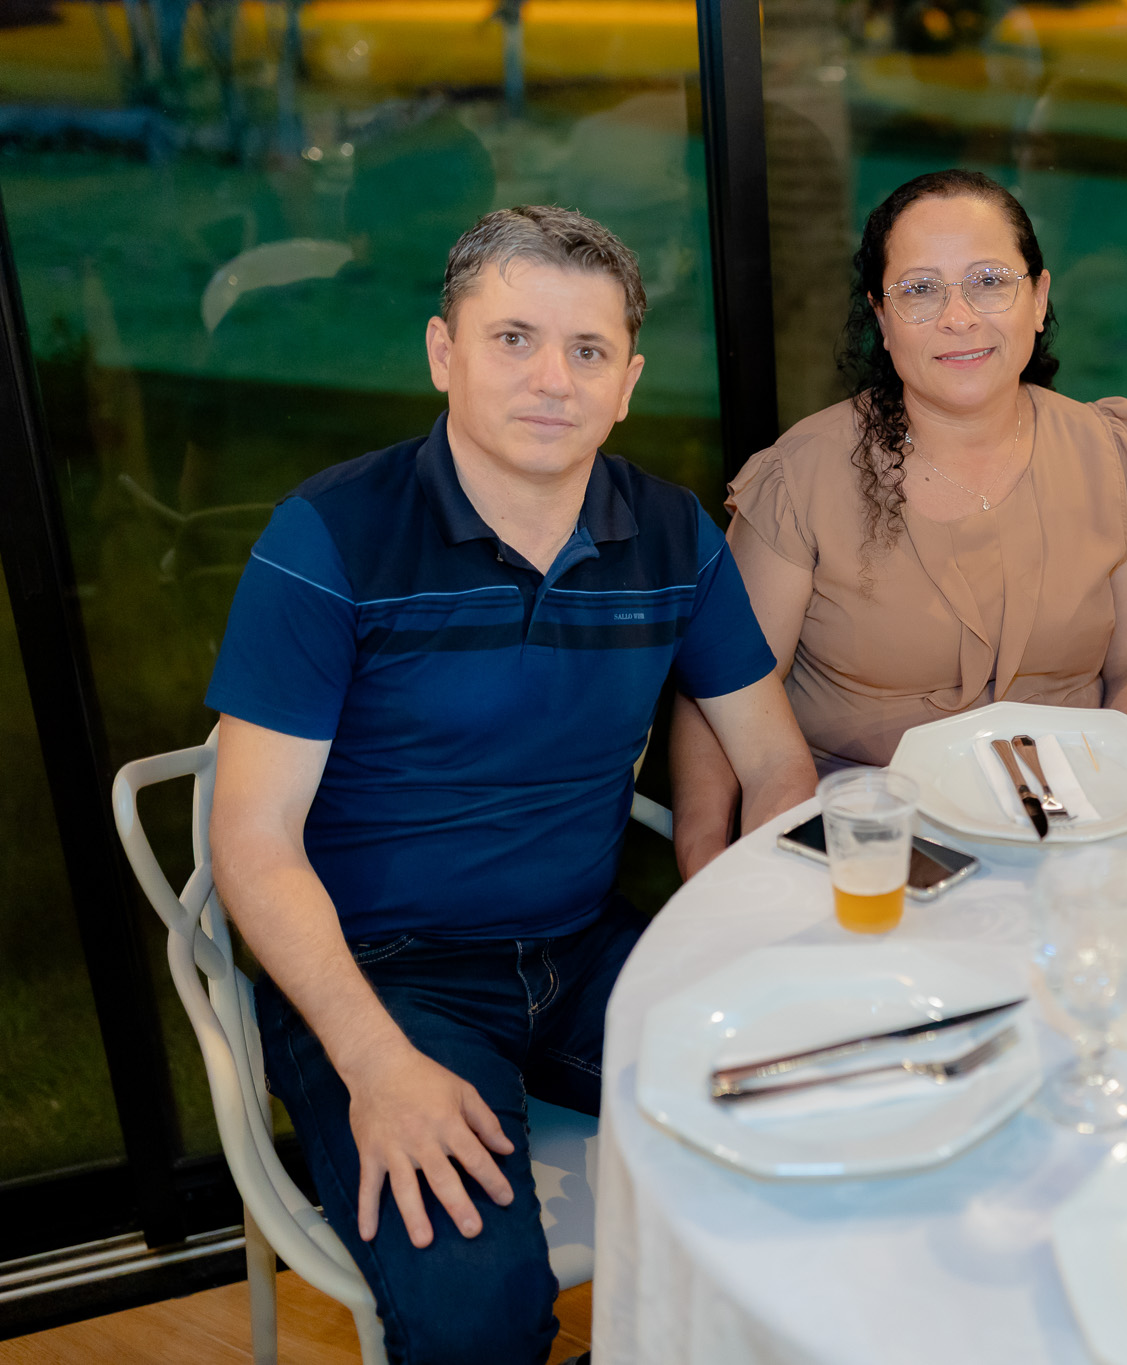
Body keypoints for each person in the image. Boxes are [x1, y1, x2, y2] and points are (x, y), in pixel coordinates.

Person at [206, 206, 816, 1363]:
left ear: (627, 382)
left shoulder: (671, 535)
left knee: (832, 1132)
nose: (552, 379)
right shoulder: (329, 536)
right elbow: (251, 835)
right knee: (474, 1317)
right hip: (383, 977)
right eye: (513, 340)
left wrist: (751, 942)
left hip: (584, 949)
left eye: (587, 350)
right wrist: (375, 1062)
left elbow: (775, 764)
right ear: (444, 353)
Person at [671, 170, 1127, 873]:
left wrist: (1111, 812)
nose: (958, 317)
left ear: (1038, 299)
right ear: (882, 320)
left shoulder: (1103, 451)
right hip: (870, 845)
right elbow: (720, 692)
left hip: (1070, 829)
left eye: (989, 281)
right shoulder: (803, 477)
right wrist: (705, 861)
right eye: (919, 290)